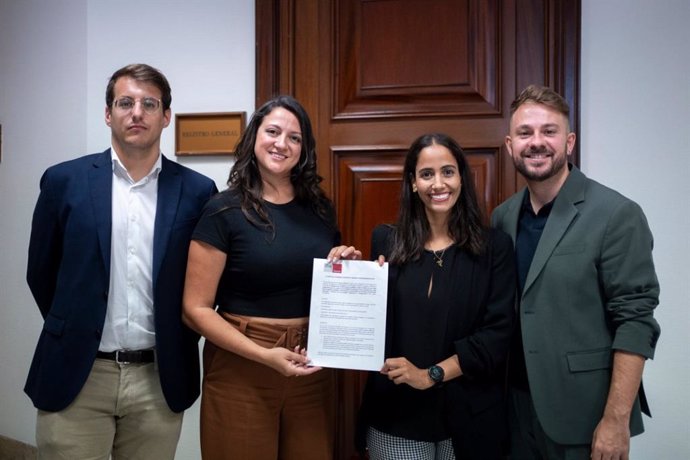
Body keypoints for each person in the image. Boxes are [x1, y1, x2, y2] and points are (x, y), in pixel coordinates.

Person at [24, 63, 218, 459]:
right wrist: (75, 327)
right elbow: (41, 272)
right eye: (125, 102)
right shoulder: (64, 182)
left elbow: (204, 284)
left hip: (157, 379)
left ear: (166, 116)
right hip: (78, 373)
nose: (137, 112)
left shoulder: (198, 192)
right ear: (108, 113)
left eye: (150, 104)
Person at [182, 95, 360, 460]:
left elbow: (321, 286)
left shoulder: (319, 209)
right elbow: (194, 309)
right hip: (241, 367)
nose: (282, 143)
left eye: (294, 138)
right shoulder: (223, 210)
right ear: (254, 139)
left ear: (304, 150)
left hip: (310, 365)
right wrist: (264, 355)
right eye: (273, 132)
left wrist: (343, 265)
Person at [491, 85, 661, 460]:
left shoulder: (616, 214)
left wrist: (616, 420)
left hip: (586, 417)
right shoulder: (502, 217)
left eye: (548, 131)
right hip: (514, 412)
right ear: (509, 145)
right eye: (525, 133)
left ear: (569, 142)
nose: (537, 142)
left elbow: (636, 321)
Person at [357, 133, 516, 459]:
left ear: (461, 178)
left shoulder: (494, 247)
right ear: (413, 183)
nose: (438, 183)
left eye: (448, 171)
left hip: (470, 415)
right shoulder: (386, 241)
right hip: (396, 413)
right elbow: (372, 322)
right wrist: (342, 273)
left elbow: (497, 334)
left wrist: (431, 375)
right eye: (426, 174)